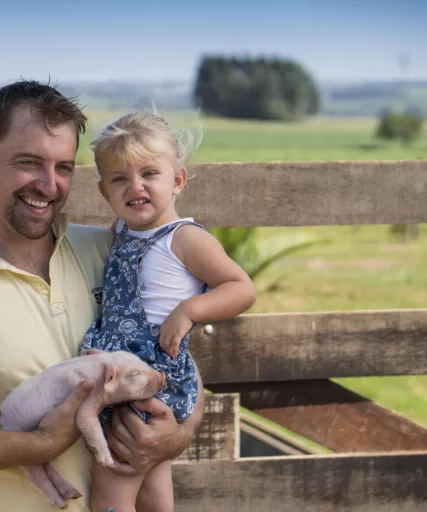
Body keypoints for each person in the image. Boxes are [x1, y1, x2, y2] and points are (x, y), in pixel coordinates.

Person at [0, 80, 200, 512]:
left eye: (63, 167)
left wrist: (179, 434)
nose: (48, 185)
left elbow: (179, 365)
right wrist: (38, 445)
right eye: (29, 163)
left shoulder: (111, 253)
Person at [80, 111, 256, 512]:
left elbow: (242, 288)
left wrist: (189, 310)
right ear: (104, 191)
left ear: (177, 180)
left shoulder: (185, 239)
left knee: (112, 489)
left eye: (149, 174)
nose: (135, 187)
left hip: (150, 376)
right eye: (120, 178)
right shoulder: (121, 231)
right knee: (153, 487)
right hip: (126, 372)